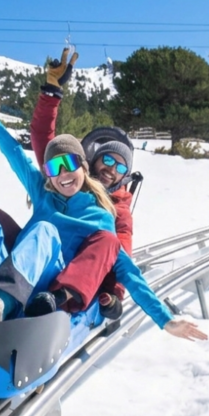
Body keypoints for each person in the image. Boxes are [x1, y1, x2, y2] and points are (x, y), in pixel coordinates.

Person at [0, 89, 207, 341]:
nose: (64, 173)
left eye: (71, 165)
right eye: (55, 167)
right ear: (48, 174)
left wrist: (165, 319)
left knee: (44, 231)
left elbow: (130, 274)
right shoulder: (43, 192)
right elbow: (14, 154)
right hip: (15, 264)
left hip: (47, 283)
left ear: (83, 167)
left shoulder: (101, 219)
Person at [29, 48, 136, 320]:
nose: (111, 169)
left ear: (125, 175)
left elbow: (119, 248)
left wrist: (115, 293)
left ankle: (55, 301)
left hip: (75, 278)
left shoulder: (119, 209)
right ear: (93, 160)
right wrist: (52, 91)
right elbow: (43, 138)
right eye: (107, 161)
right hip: (45, 255)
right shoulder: (70, 177)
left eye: (120, 167)